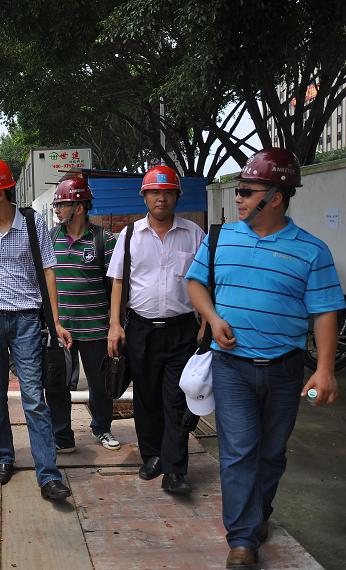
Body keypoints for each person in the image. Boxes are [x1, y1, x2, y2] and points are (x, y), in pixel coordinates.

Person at [185, 148, 345, 569]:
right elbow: (195, 283)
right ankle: (241, 539)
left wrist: (325, 369)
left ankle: (258, 515)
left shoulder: (311, 251)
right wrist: (212, 317)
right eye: (238, 190)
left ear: (275, 197)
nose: (237, 198)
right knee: (238, 452)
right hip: (231, 367)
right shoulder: (220, 239)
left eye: (246, 191)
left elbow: (325, 311)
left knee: (272, 453)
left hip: (285, 370)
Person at [0, 158, 74, 502]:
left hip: (26, 319)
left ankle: (48, 474)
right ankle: (3, 457)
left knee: (34, 397)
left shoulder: (32, 223)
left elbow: (49, 271)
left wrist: (55, 321)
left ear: (0, 193)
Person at [106, 165, 205, 496]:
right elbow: (118, 281)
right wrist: (115, 325)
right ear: (145, 197)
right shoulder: (130, 235)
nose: (161, 198)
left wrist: (206, 322)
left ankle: (175, 469)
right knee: (146, 397)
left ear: (177, 196)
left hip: (182, 330)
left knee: (176, 399)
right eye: (154, 192)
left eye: (167, 192)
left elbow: (205, 281)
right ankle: (152, 456)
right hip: (141, 329)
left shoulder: (194, 234)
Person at [47, 177, 120, 453]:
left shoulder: (104, 240)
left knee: (100, 384)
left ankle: (102, 428)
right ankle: (62, 437)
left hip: (96, 328)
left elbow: (116, 284)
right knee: (57, 384)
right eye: (56, 205)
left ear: (79, 207)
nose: (57, 209)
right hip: (60, 329)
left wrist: (114, 323)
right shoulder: (50, 239)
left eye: (62, 204)